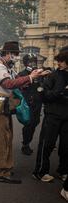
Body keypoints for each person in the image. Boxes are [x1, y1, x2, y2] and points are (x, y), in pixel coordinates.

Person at [0, 41, 49, 184]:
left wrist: (33, 76)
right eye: (15, 54)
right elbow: (8, 84)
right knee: (1, 138)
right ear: (7, 54)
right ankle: (2, 171)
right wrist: (31, 77)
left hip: (1, 105)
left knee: (5, 136)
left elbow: (16, 82)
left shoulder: (5, 67)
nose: (16, 58)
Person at [33, 48, 68, 183]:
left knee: (66, 146)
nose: (58, 63)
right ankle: (40, 171)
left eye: (61, 61)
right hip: (52, 115)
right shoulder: (52, 76)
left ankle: (63, 170)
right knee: (47, 144)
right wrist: (60, 92)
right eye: (58, 61)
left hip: (66, 116)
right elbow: (45, 95)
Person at [18, 54, 43, 155]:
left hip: (37, 103)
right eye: (31, 62)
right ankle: (25, 144)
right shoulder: (22, 74)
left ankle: (27, 142)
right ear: (26, 63)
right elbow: (20, 88)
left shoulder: (39, 73)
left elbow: (41, 85)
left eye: (34, 61)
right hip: (27, 103)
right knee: (28, 124)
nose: (33, 64)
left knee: (35, 123)